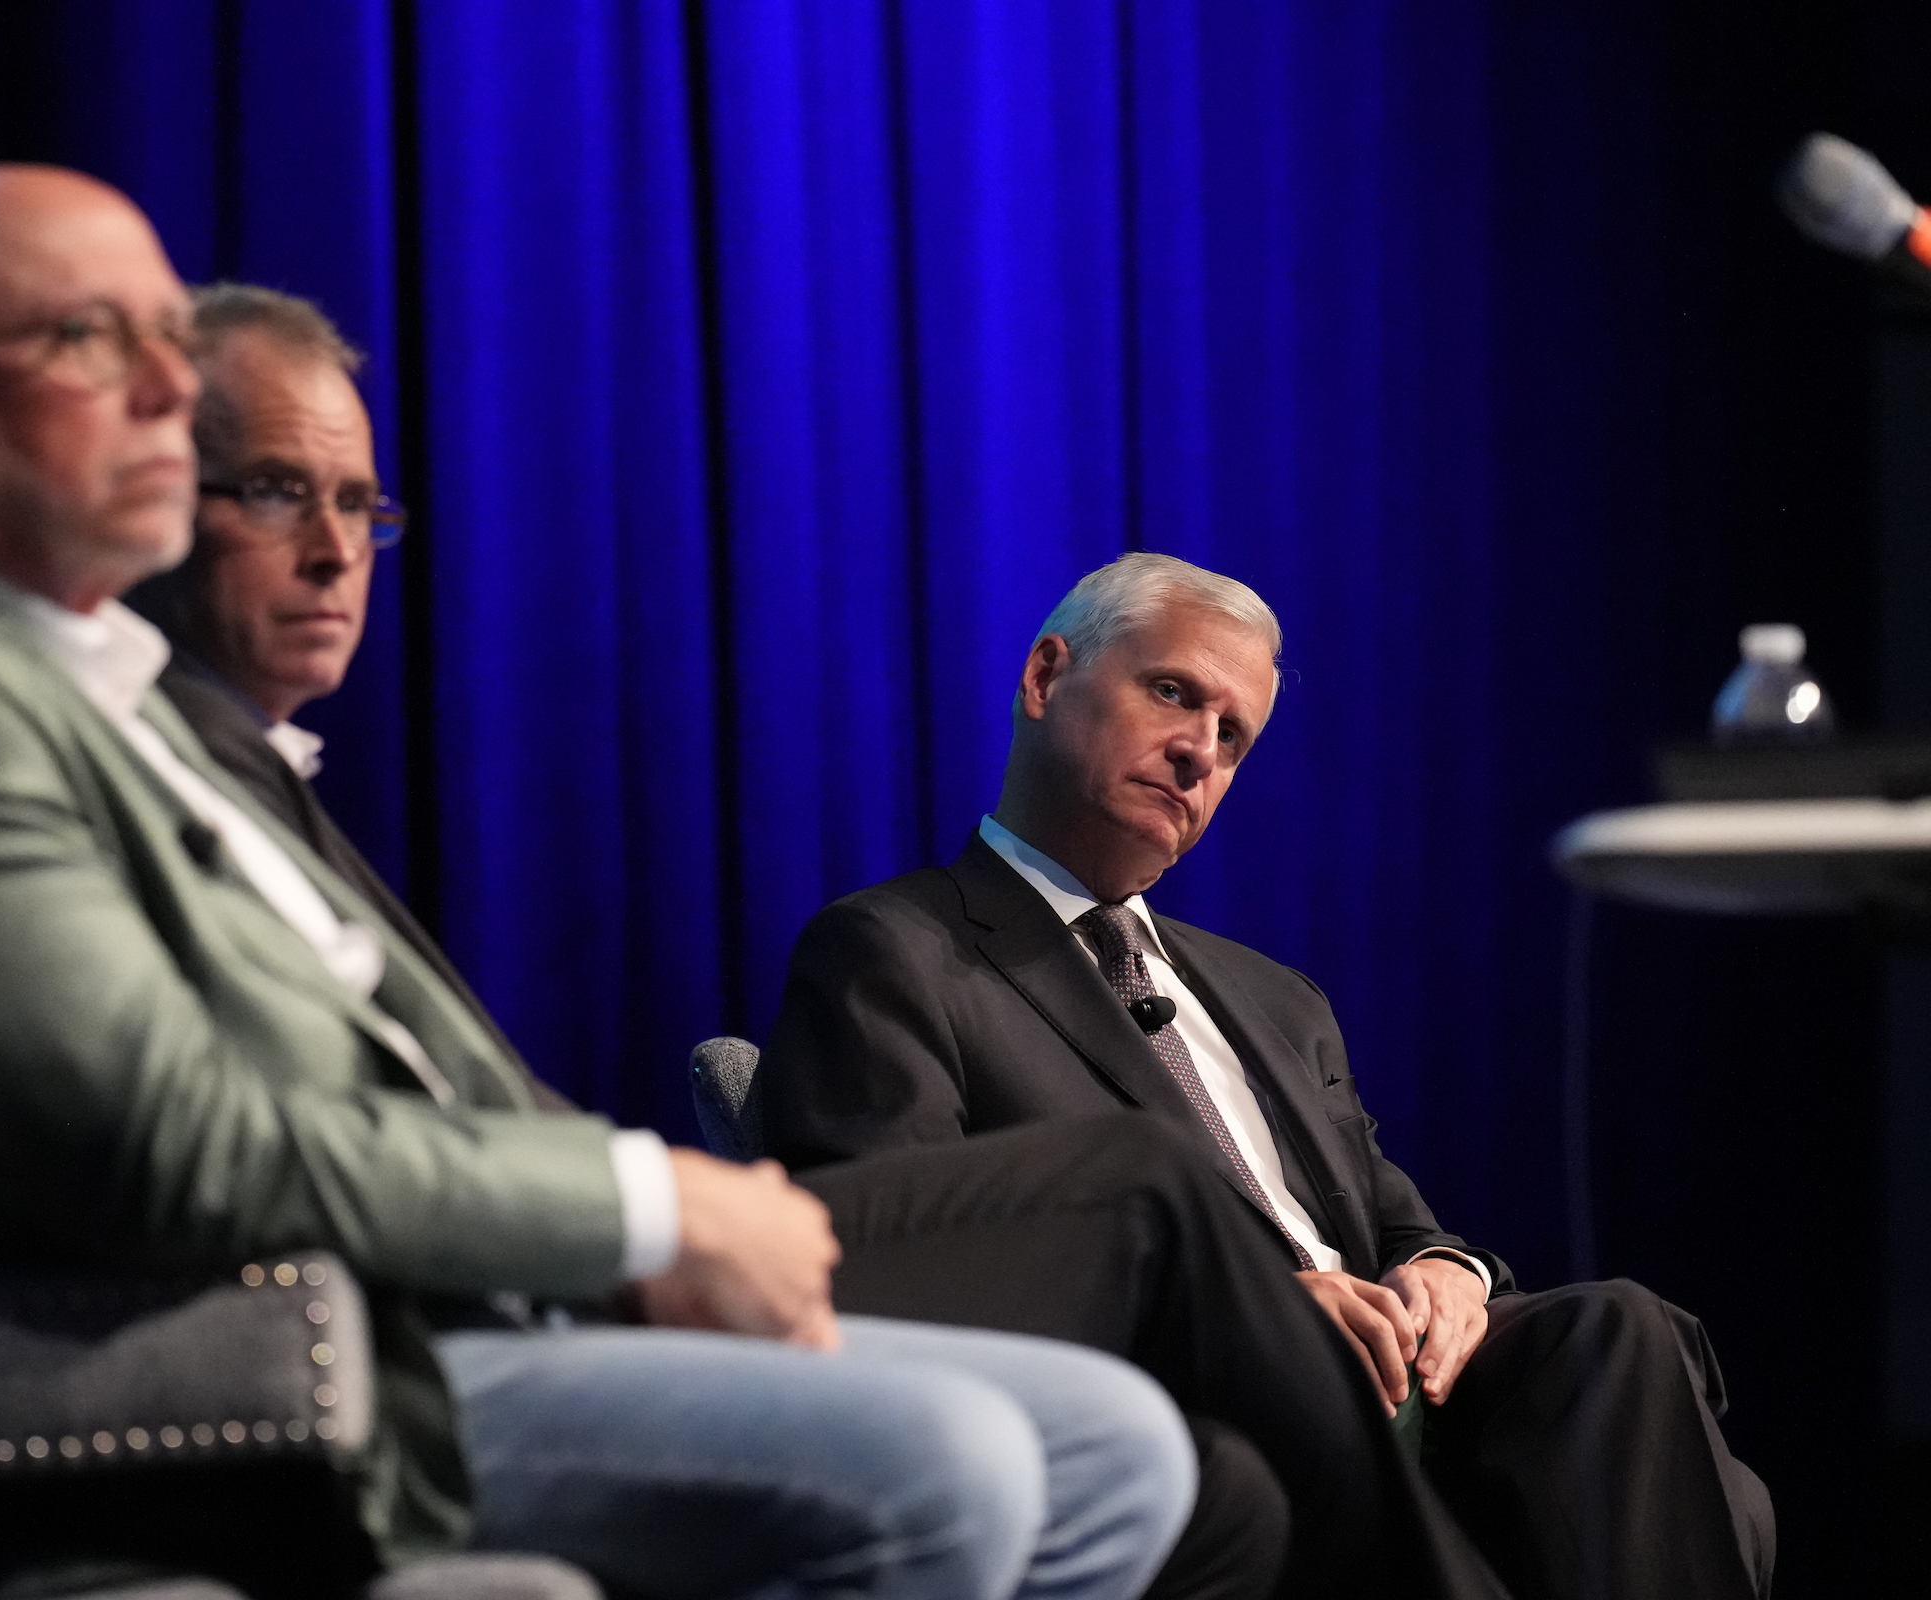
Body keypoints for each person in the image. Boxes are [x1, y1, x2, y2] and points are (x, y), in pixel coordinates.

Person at [0, 165, 1208, 1600]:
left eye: (162, 337)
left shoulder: (82, 691)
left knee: (1116, 1450)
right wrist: (633, 1211)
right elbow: (168, 1152)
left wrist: (646, 1247)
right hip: (227, 1369)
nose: (160, 386)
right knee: (953, 1466)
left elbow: (374, 1065)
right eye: (88, 339)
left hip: (394, 1312)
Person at [121, 281, 1289, 1600]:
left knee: (1207, 1458)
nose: (337, 552)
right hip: (388, 1333)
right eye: (278, 493)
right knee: (1134, 1200)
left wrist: (1444, 1275)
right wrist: (645, 1217)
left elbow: (453, 1098)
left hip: (531, 1275)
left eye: (358, 507)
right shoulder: (895, 945)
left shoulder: (263, 781)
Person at [756, 551, 1777, 1600]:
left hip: (1405, 1381)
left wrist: (1445, 1273)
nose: (1199, 750)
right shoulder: (895, 950)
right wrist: (1258, 1312)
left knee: (1619, 1326)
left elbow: (1397, 1224)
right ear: (1046, 676)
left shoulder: (1275, 998)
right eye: (1172, 693)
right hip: (1214, 1394)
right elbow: (890, 1261)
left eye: (1233, 736)